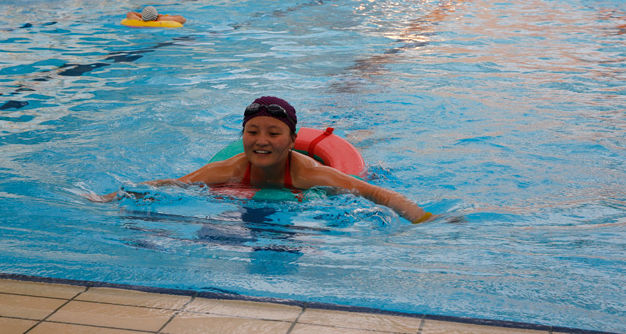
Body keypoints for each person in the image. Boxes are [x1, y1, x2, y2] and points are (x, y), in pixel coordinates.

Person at [87, 96, 435, 224]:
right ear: (242, 136)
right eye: (252, 131)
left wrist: (425, 220)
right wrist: (111, 197)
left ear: (293, 141)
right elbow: (173, 184)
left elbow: (375, 194)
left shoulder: (309, 173)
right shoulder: (229, 169)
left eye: (273, 133)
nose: (261, 141)